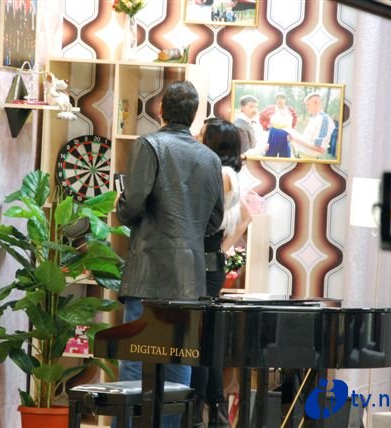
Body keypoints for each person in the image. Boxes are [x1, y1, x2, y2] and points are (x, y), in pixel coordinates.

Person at [115, 81, 224, 427]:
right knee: (179, 368)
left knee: (135, 365)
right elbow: (215, 221)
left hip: (148, 272)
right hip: (189, 279)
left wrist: (120, 204)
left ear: (161, 109)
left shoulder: (149, 145)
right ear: (194, 115)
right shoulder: (210, 158)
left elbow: (132, 206)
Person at [191, 118, 252, 428]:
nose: (195, 136)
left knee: (200, 342)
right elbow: (244, 218)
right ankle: (213, 414)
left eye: (201, 134)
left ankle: (200, 414)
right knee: (206, 341)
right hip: (210, 261)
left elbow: (205, 218)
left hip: (205, 263)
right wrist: (222, 248)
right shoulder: (229, 173)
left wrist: (219, 248)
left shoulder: (221, 174)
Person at [287, 92, 336, 159]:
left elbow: (320, 148)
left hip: (308, 159)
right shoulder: (314, 117)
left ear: (316, 102)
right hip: (301, 156)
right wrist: (294, 138)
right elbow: (308, 139)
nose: (306, 108)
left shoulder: (324, 120)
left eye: (308, 104)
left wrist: (297, 139)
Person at [259, 92, 298, 158]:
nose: (280, 100)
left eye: (282, 98)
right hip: (273, 133)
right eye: (278, 98)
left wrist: (291, 129)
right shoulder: (270, 108)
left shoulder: (290, 109)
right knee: (270, 155)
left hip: (286, 133)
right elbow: (260, 116)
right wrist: (267, 125)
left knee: (286, 156)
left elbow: (295, 118)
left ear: (285, 100)